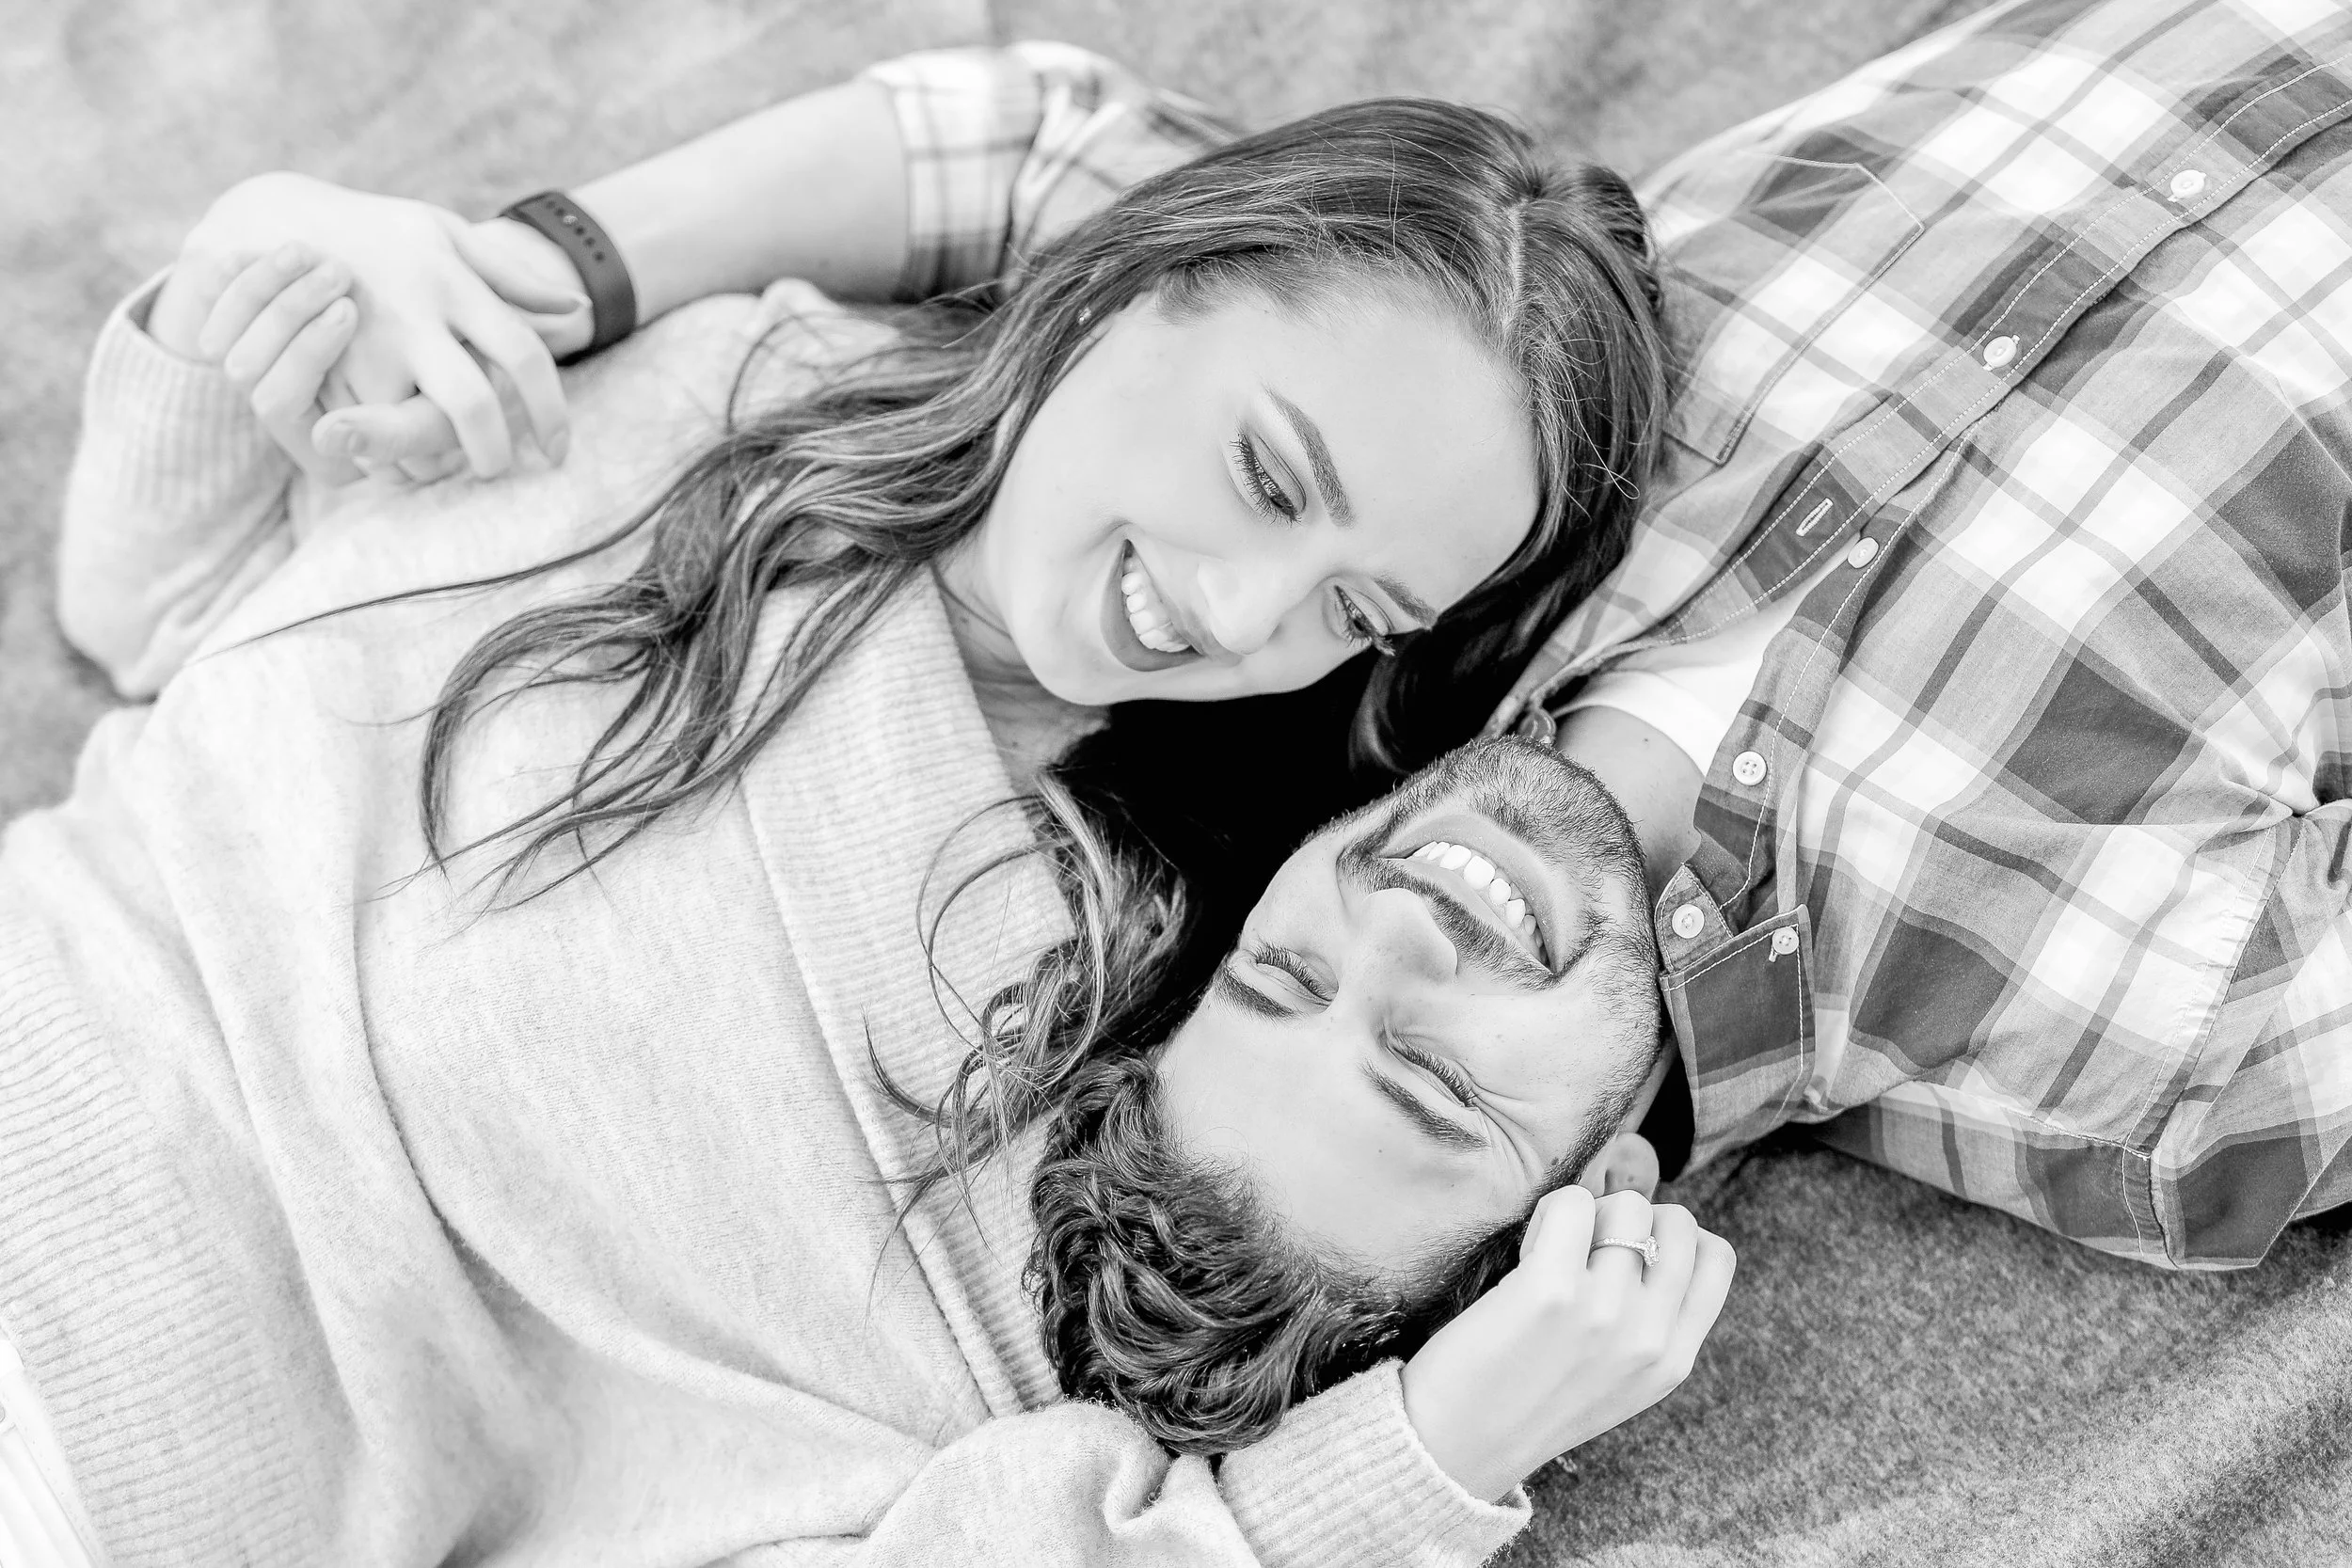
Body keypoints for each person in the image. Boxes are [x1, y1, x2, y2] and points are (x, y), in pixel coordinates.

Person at [0, 57, 1708, 1568]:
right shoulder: (728, 376)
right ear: (1142, 286)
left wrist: (1422, 1458)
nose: (1245, 617)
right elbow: (173, 618)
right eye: (1267, 476)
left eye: (1356, 610)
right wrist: (259, 273)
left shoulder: (1068, 1021)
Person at [342, 0, 2351, 1273]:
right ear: (1586, 1221)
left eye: (1285, 973)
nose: (1403, 943)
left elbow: (1042, 151)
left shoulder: (1470, 500)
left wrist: (547, 271)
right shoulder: (2128, 1062)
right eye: (1434, 1086)